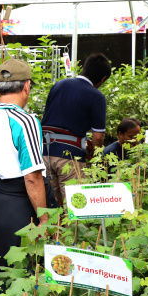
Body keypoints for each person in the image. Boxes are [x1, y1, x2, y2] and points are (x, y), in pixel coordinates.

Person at [0, 58, 48, 266]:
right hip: (20, 207)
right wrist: (44, 219)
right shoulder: (26, 122)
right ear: (26, 86)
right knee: (22, 269)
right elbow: (33, 177)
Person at [41, 53, 111, 208]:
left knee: (49, 208)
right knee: (74, 208)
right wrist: (95, 160)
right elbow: (98, 137)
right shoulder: (96, 96)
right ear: (103, 78)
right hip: (70, 157)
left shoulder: (59, 85)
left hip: (44, 153)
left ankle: (51, 233)